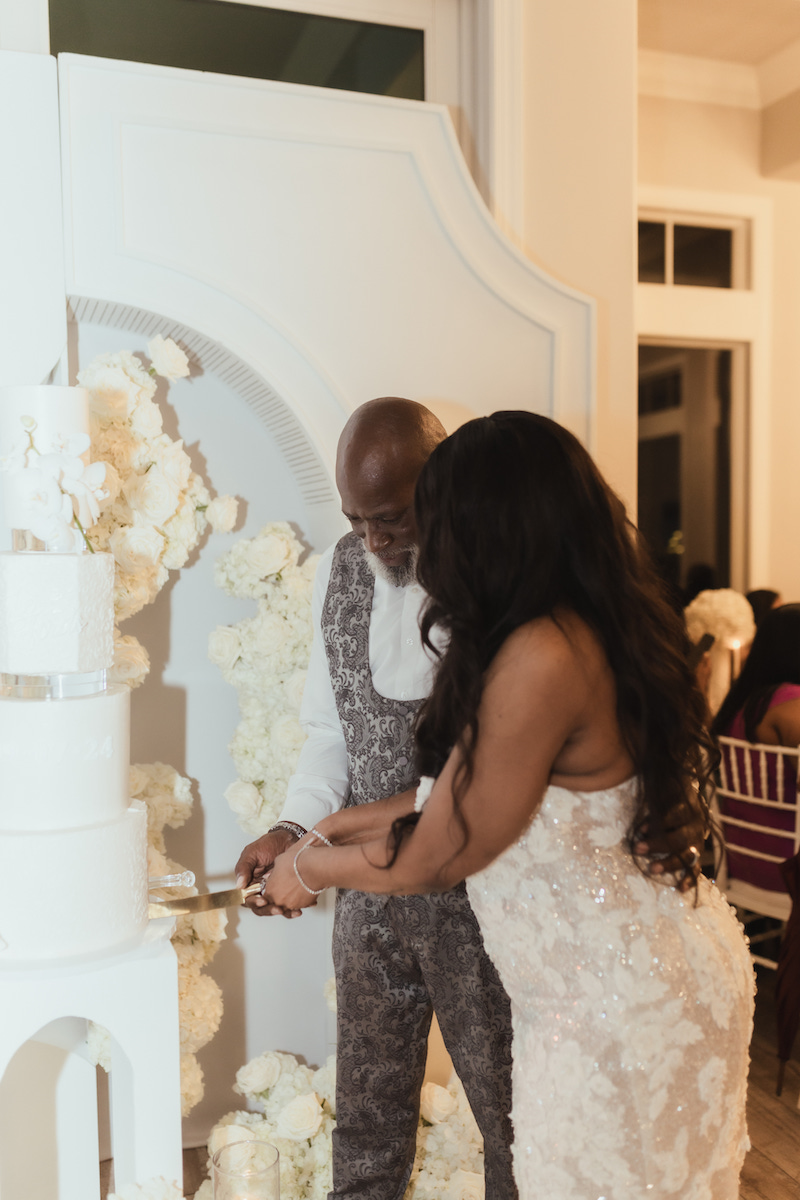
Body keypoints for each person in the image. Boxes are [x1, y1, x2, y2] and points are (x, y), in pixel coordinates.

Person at [264, 411, 754, 1199]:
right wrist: (316, 826)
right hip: (614, 980)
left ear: (494, 521)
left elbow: (436, 852)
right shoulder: (565, 627)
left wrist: (312, 870)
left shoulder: (543, 654)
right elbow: (448, 797)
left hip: (616, 1000)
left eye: (438, 519)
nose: (430, 545)